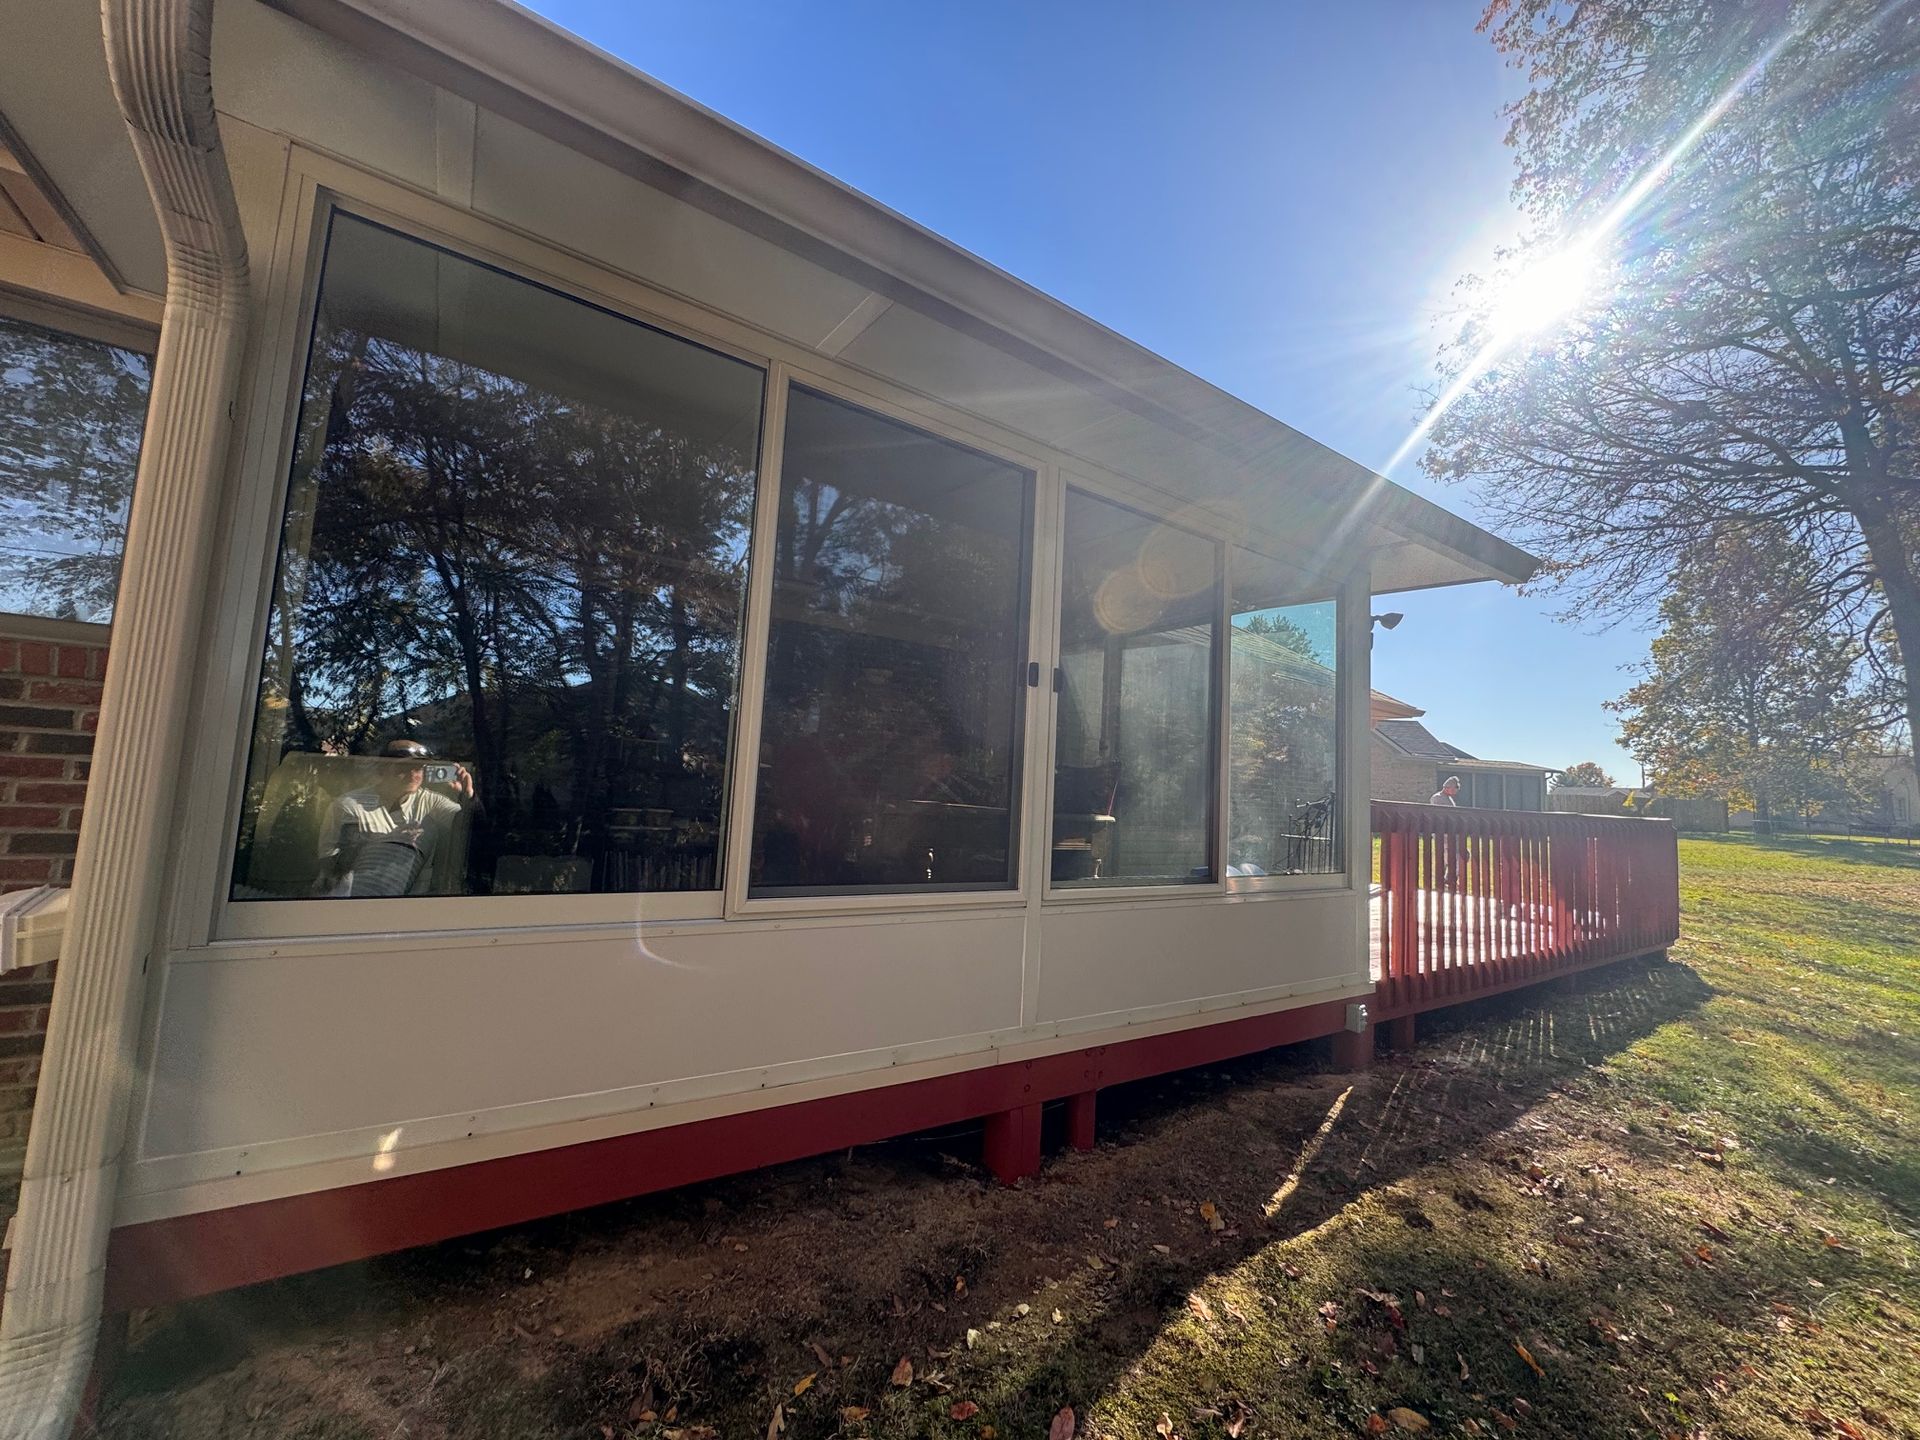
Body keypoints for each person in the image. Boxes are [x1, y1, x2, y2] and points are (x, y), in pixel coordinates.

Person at [318, 738, 477, 896]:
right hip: (359, 897)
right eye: (404, 768)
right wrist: (376, 846)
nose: (413, 774)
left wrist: (467, 796)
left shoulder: (430, 801)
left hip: (414, 905)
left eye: (419, 768)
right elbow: (329, 865)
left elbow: (470, 829)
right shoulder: (349, 805)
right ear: (383, 769)